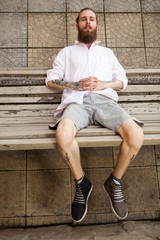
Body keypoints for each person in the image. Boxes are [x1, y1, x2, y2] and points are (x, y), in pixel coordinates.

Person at [45, 8, 144, 223]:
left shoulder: (107, 53)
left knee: (136, 135)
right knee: (62, 134)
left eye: (91, 19)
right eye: (83, 20)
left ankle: (114, 182)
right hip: (77, 102)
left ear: (96, 24)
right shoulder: (67, 52)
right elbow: (51, 80)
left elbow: (122, 80)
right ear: (77, 25)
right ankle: (81, 183)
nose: (88, 23)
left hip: (105, 102)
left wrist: (103, 84)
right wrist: (75, 84)